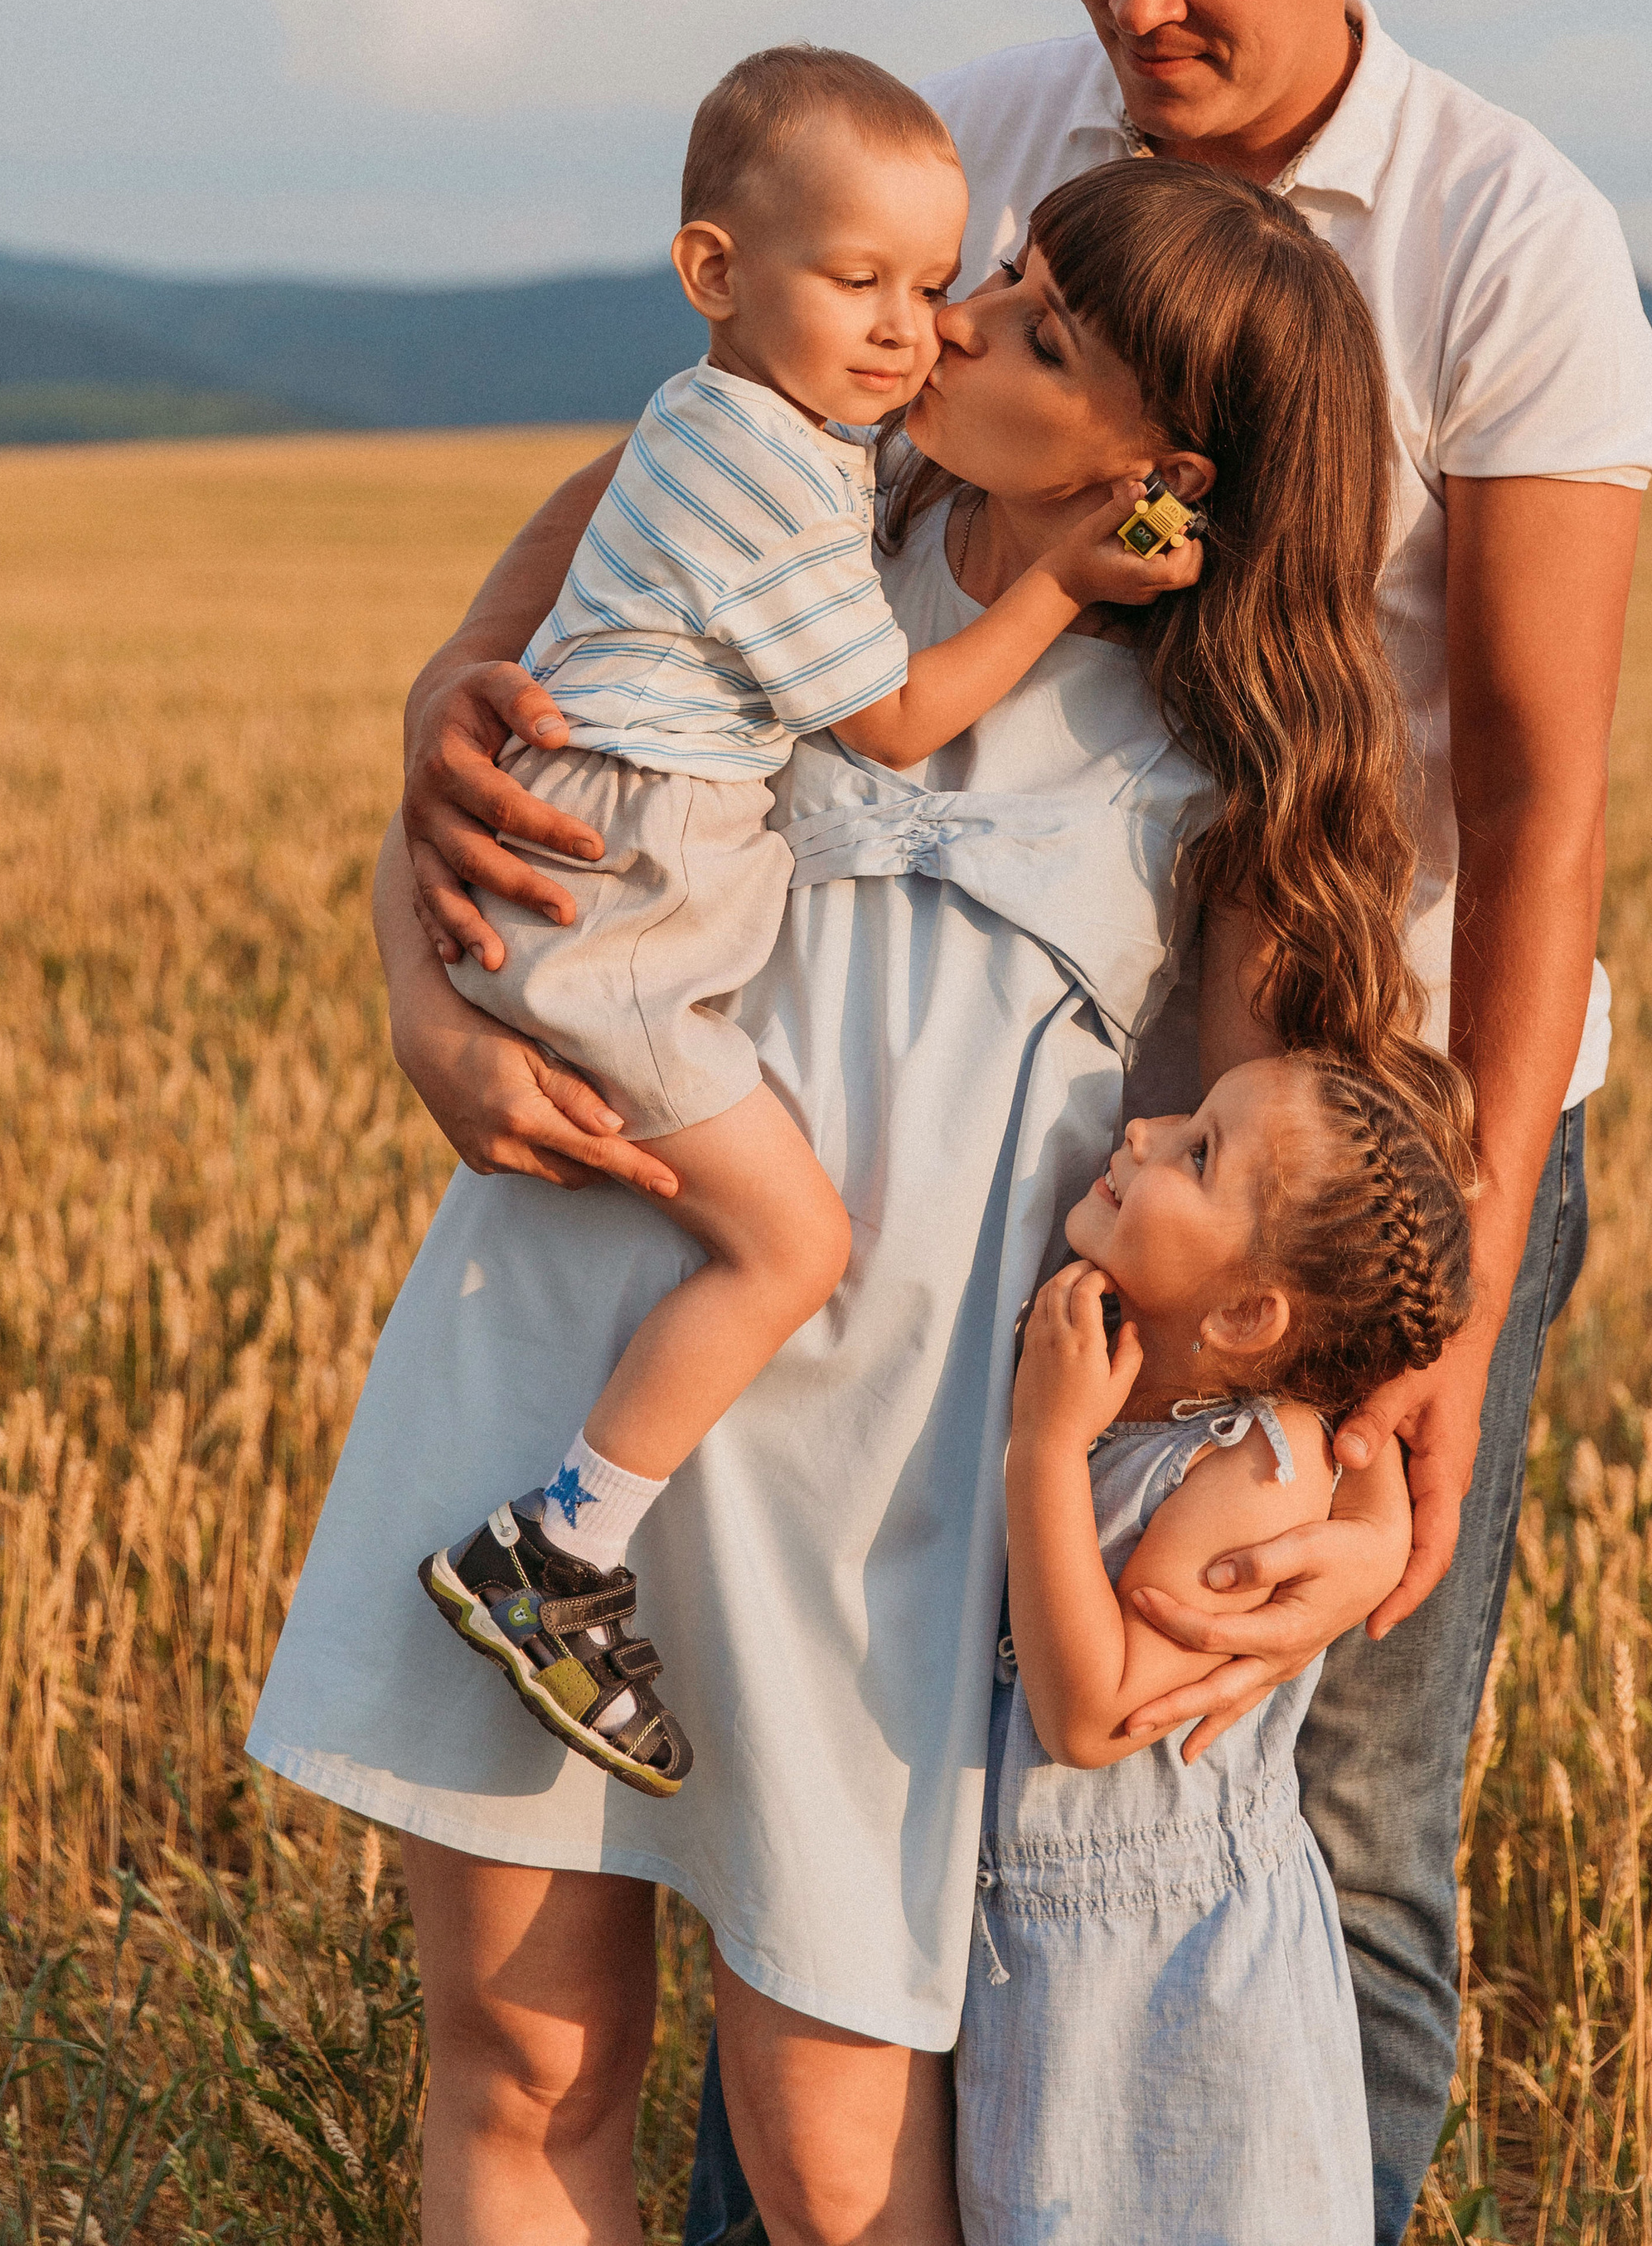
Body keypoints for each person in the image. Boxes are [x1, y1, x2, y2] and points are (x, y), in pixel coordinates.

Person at [400, 0, 1652, 2242]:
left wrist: (1419, 1321)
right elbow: (698, 480)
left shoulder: (1510, 236)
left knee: (1311, 1793)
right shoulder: (990, 145)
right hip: (957, 1136)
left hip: (1340, 1115)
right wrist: (451, 698)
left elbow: (1536, 816)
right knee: (871, 1811)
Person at [252, 154, 1426, 2246]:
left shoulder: (1225, 756)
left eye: (1041, 334)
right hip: (569, 1348)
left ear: (1163, 476)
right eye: (1004, 275)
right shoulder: (775, 503)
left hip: (884, 1488)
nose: (956, 323)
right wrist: (426, 1004)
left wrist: (1358, 1494)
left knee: (835, 2170)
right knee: (521, 2062)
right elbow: (489, 787)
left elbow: (1275, 1227)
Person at [420, 45, 1194, 1796]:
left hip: (628, 894)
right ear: (714, 272)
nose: (918, 332)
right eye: (863, 285)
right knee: (793, 1247)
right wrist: (1062, 580)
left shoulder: (762, 432)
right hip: (620, 906)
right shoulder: (757, 471)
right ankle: (555, 1552)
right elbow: (898, 721)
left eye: (936, 285)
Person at [959, 1059, 1471, 2246]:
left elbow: (1092, 1716)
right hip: (1045, 1966)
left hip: (1174, 1991)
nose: (1143, 1128)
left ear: (1246, 1318)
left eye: (1196, 1151)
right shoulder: (1119, 1393)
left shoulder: (1253, 1468)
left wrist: (1046, 1446)